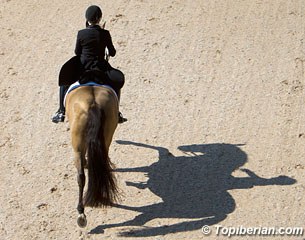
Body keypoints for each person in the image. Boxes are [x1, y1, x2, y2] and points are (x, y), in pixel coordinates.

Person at [52, 5, 127, 123]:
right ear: (100, 19)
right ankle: (116, 113)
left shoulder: (81, 33)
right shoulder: (105, 33)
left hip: (83, 67)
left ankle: (61, 112)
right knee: (116, 82)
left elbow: (77, 52)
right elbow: (112, 53)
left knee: (64, 80)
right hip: (101, 67)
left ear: (87, 19)